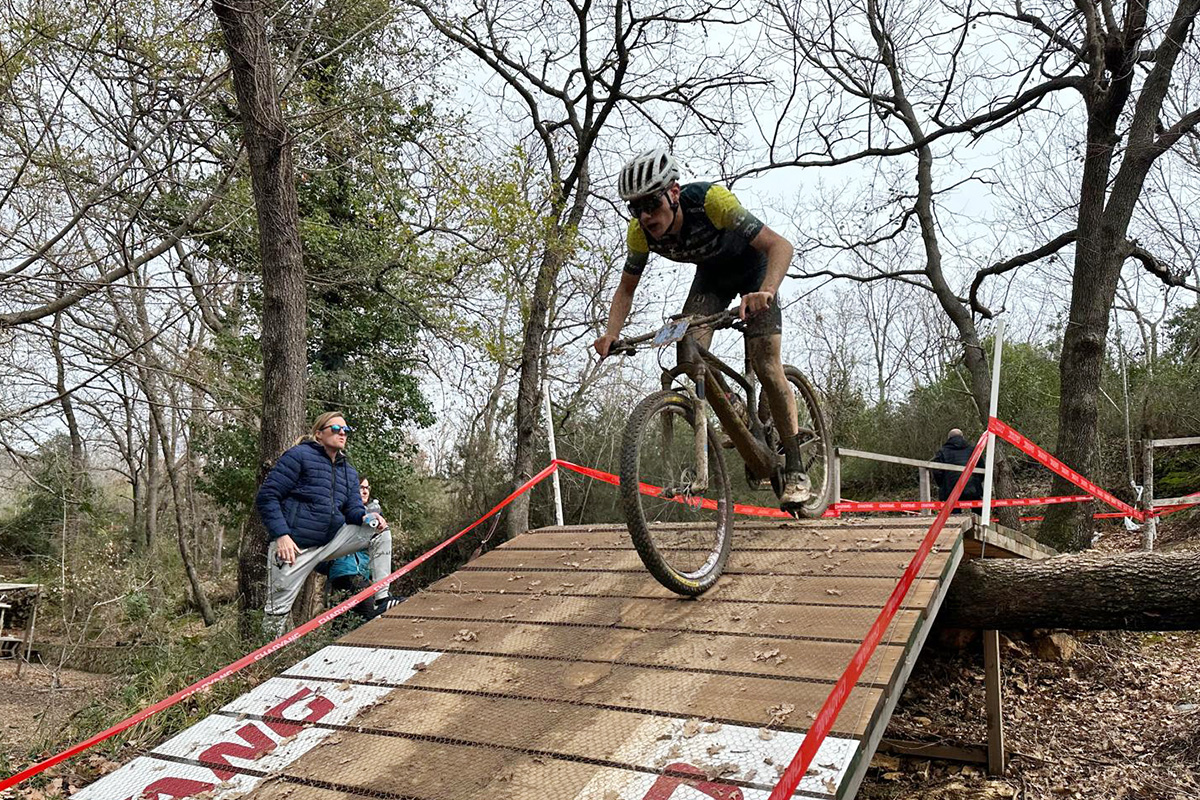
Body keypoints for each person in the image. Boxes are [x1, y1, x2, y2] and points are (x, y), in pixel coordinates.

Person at [592, 148, 810, 511]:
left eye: (651, 204)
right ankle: (736, 409)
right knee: (687, 350)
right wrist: (611, 333)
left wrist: (766, 291)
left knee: (766, 362)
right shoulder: (640, 234)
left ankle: (797, 468)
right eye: (636, 208)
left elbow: (779, 246)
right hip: (711, 280)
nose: (646, 216)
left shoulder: (710, 201)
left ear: (673, 192)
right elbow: (626, 288)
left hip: (754, 270)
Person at [255, 412, 401, 636]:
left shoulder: (348, 471)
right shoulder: (299, 456)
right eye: (335, 429)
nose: (342, 433)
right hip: (294, 546)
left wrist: (368, 518)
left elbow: (353, 510)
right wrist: (281, 535)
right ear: (319, 434)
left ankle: (381, 597)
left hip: (331, 541)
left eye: (346, 430)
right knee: (276, 612)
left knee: (380, 533)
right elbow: (267, 497)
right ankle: (263, 662)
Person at [319, 477, 387, 620]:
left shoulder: (373, 513)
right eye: (360, 487)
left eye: (367, 488)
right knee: (368, 612)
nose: (364, 491)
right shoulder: (341, 511)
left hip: (361, 571)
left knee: (344, 620)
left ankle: (334, 641)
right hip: (344, 570)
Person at [931, 428, 985, 507]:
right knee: (977, 511)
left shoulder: (942, 451)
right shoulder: (973, 450)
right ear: (962, 437)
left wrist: (943, 484)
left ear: (949, 438)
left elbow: (937, 471)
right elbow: (981, 468)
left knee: (953, 515)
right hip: (972, 488)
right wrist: (977, 481)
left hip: (950, 489)